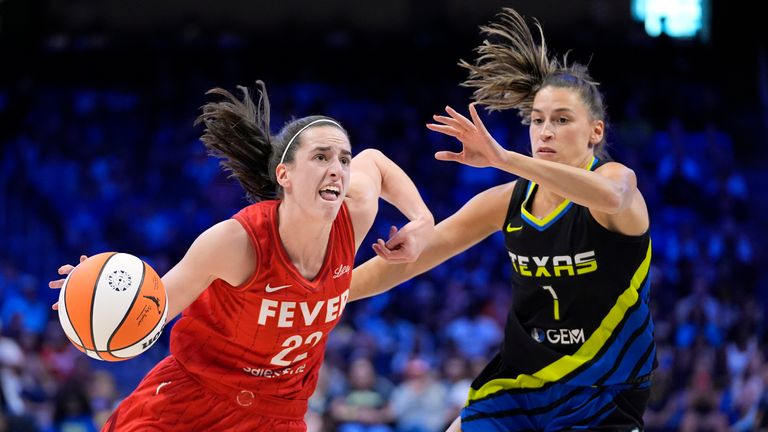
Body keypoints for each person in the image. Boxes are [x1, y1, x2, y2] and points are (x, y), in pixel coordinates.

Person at [49, 80, 434, 431]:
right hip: (189, 403)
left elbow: (377, 163)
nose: (338, 169)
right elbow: (154, 307)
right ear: (284, 175)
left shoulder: (355, 214)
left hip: (277, 416)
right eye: (321, 157)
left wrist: (422, 217)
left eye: (343, 160)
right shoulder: (236, 242)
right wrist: (102, 296)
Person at [351, 8, 655, 431]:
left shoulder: (614, 180)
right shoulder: (504, 202)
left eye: (562, 120)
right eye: (537, 120)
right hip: (518, 387)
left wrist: (504, 159)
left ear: (596, 132)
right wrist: (325, 296)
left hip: (602, 394)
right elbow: (418, 257)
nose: (545, 131)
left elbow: (609, 196)